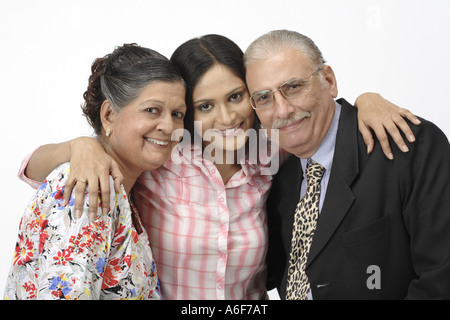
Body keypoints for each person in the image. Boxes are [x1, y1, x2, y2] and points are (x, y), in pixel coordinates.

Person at [18, 35, 420, 300]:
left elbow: (316, 123)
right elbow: (36, 173)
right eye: (204, 106)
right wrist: (81, 145)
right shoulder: (162, 158)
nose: (227, 118)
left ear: (254, 95)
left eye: (236, 96)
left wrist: (364, 100)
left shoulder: (270, 154)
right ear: (188, 115)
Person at [244, 29, 450, 299]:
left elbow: (440, 279)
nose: (282, 110)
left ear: (328, 80)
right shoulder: (278, 178)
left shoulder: (407, 146)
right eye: (264, 98)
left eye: (293, 87)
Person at [4, 43, 187, 300]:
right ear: (110, 115)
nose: (169, 126)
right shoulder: (89, 189)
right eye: (151, 110)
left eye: (177, 114)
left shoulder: (120, 188)